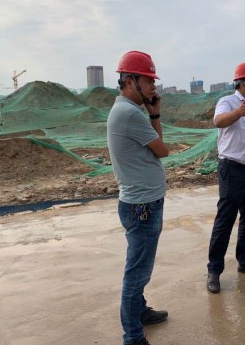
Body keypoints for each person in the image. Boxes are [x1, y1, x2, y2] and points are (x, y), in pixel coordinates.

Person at [107, 51, 169, 345]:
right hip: (142, 206)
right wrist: (153, 116)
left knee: (140, 268)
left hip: (141, 203)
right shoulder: (130, 113)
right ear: (130, 81)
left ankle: (140, 311)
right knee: (136, 274)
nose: (154, 87)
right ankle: (132, 336)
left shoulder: (128, 110)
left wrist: (154, 113)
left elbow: (156, 147)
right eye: (149, 81)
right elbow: (162, 150)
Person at [206, 62, 245, 294]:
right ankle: (214, 271)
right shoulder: (228, 101)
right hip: (234, 171)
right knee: (225, 222)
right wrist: (238, 113)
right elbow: (218, 121)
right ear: (242, 82)